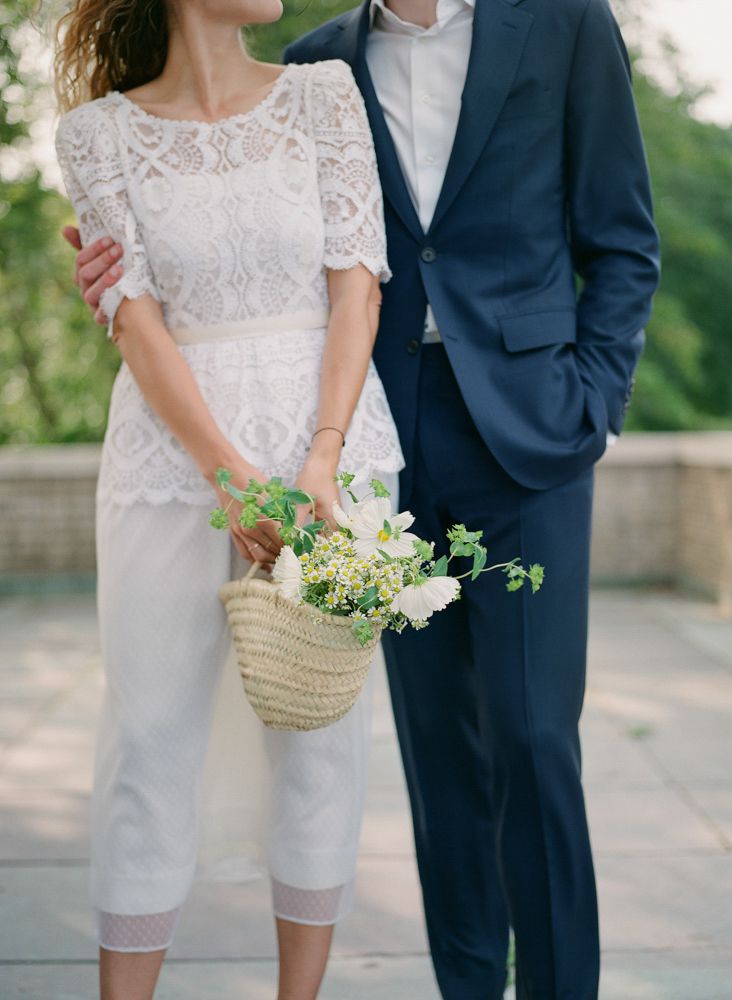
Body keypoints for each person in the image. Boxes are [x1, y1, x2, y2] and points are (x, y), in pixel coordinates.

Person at [66, 0, 661, 997]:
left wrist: (593, 404)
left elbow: (622, 238)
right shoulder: (323, 58)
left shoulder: (563, 24)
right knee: (440, 761)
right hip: (390, 435)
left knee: (532, 737)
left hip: (524, 429)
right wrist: (106, 276)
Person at [53, 1, 403, 998]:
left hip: (330, 449)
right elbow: (136, 319)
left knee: (319, 735)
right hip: (172, 463)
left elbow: (358, 285)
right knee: (149, 733)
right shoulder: (97, 134)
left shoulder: (323, 97)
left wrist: (318, 464)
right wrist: (229, 473)